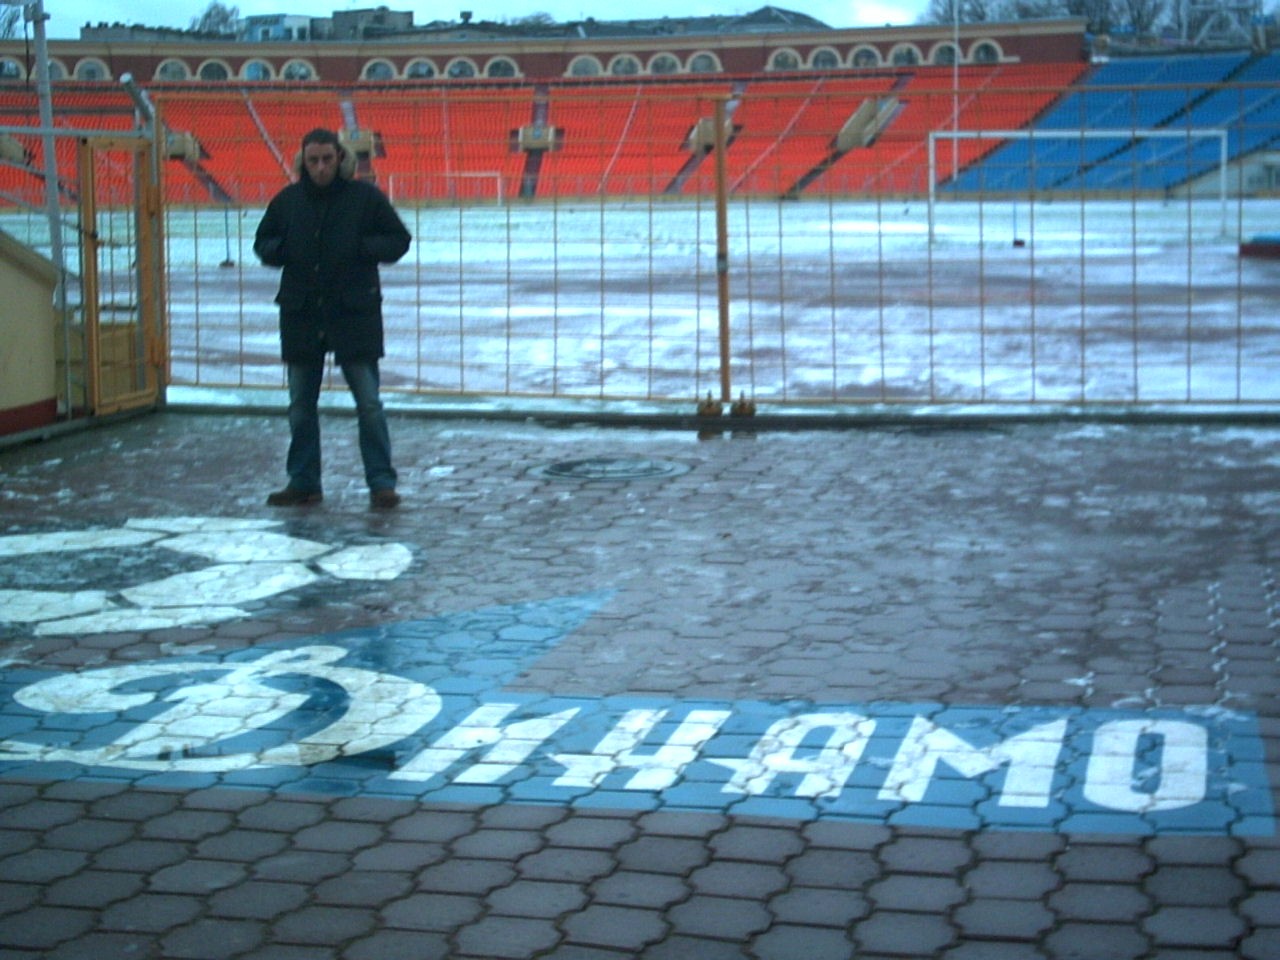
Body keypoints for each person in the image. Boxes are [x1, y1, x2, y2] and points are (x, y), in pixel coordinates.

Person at [254, 127, 412, 509]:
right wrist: (284, 250)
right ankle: (303, 481)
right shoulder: (287, 201)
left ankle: (380, 482)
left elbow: (399, 240)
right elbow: (263, 242)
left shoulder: (365, 198)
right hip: (302, 313)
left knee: (369, 404)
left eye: (327, 159)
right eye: (313, 160)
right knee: (300, 406)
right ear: (303, 162)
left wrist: (361, 249)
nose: (321, 167)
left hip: (353, 313)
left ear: (341, 158)